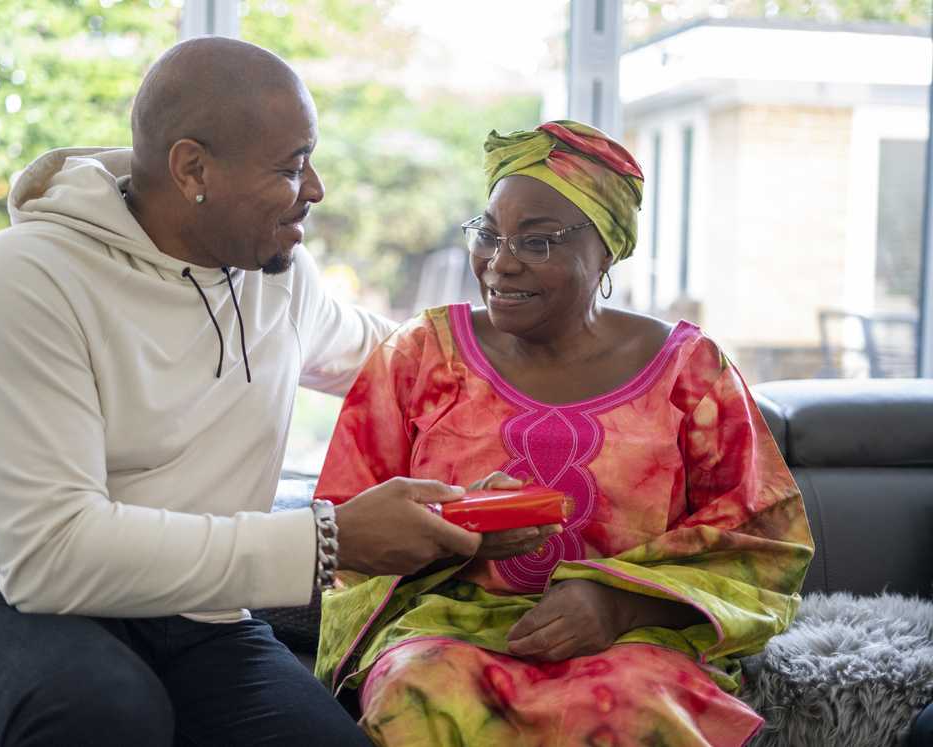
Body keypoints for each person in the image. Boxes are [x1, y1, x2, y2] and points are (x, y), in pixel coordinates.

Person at [0, 38, 484, 747]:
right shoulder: (27, 275)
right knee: (106, 712)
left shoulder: (277, 278)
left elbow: (406, 363)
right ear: (192, 169)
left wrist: (551, 362)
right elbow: (50, 557)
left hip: (194, 612)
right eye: (293, 166)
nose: (317, 188)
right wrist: (328, 538)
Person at [313, 120, 815, 746]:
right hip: (444, 633)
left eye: (538, 241)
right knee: (420, 688)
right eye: (489, 234)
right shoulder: (422, 355)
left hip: (633, 637)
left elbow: (765, 542)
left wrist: (619, 604)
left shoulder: (691, 373)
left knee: (631, 704)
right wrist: (453, 540)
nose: (500, 262)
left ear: (606, 248)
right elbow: (342, 531)